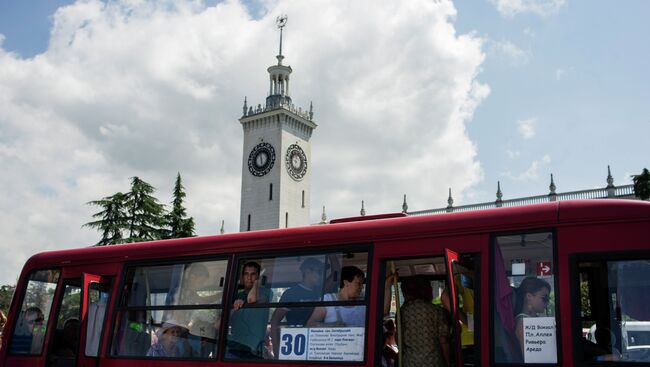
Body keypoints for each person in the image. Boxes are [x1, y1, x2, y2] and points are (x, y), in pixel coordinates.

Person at [270, 257, 325, 356]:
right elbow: (275, 320)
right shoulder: (291, 293)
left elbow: (336, 274)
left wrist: (332, 255)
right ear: (308, 272)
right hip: (295, 345)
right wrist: (276, 347)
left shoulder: (319, 292)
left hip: (317, 344)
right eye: (319, 272)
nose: (321, 276)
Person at [400, 276, 449, 367]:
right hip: (434, 362)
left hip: (410, 362)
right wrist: (448, 362)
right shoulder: (436, 310)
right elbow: (443, 341)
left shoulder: (402, 311)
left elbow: (399, 339)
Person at [226, 261, 272, 359]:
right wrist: (234, 309)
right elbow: (223, 322)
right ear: (242, 276)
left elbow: (252, 299)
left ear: (258, 277)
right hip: (234, 348)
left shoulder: (267, 292)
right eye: (246, 274)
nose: (249, 278)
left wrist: (256, 283)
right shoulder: (237, 296)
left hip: (253, 350)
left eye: (253, 274)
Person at [513, 277, 551, 353]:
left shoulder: (528, 320)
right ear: (529, 297)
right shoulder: (523, 323)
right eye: (545, 298)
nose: (547, 302)